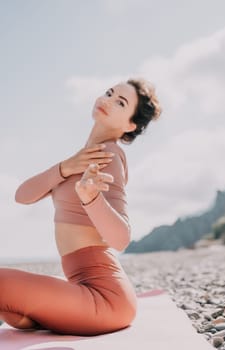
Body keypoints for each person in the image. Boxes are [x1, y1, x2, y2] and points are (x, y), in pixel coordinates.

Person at [0, 78, 161, 335]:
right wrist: (64, 168)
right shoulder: (81, 158)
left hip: (106, 298)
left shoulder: (108, 156)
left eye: (120, 102)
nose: (108, 100)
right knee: (12, 311)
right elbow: (22, 196)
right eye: (109, 93)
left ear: (130, 124)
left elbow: (120, 239)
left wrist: (91, 198)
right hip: (83, 287)